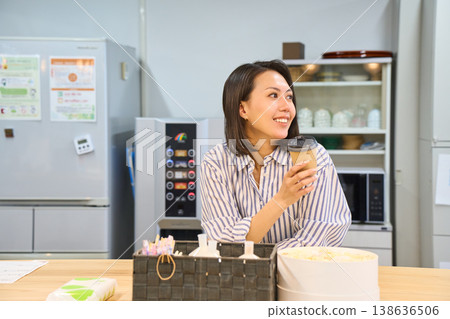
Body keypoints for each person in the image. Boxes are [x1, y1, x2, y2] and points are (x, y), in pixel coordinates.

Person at [200, 60, 351, 249]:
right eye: (273, 95)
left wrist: (255, 260)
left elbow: (314, 241)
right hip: (240, 278)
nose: (287, 107)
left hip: (299, 276)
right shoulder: (216, 162)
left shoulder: (311, 156)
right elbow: (223, 243)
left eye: (289, 97)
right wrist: (281, 200)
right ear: (242, 109)